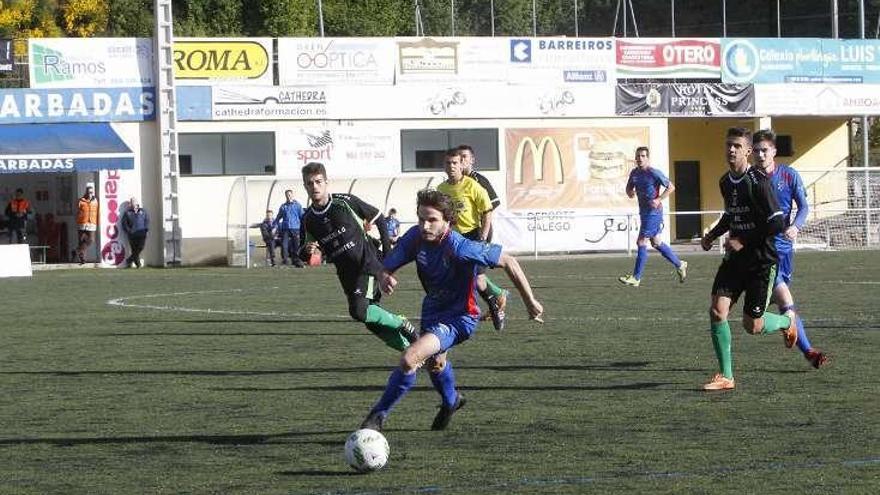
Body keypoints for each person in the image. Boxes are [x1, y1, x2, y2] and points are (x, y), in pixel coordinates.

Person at [360, 189, 544, 432]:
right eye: (421, 218)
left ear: (448, 220)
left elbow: (509, 261)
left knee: (410, 358)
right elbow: (388, 265)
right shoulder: (416, 237)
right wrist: (385, 277)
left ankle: (377, 417)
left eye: (432, 220)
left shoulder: (460, 246)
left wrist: (530, 301)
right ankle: (451, 401)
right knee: (435, 364)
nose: (425, 225)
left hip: (460, 318)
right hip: (432, 311)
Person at [700, 127, 800, 391]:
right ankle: (726, 376)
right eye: (727, 145)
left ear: (747, 151)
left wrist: (743, 240)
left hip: (761, 262)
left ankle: (786, 321)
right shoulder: (724, 182)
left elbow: (777, 222)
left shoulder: (758, 181)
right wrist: (712, 234)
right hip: (735, 260)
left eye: (736, 146)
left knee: (752, 326)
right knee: (716, 311)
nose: (731, 150)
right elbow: (731, 215)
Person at [300, 161, 417, 351]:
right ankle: (408, 349)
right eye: (310, 183)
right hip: (346, 274)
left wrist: (388, 257)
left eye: (318, 182)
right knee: (370, 317)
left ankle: (401, 323)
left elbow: (378, 217)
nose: (315, 187)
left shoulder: (344, 202)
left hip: (368, 264)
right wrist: (307, 251)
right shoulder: (308, 219)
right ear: (305, 186)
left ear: (326, 182)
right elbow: (302, 253)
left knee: (359, 311)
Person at [752, 129, 828, 368]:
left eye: (765, 150)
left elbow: (804, 207)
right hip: (762, 251)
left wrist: (795, 225)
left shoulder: (789, 175)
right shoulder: (749, 178)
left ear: (774, 151)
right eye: (756, 151)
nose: (761, 155)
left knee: (775, 308)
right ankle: (808, 350)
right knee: (784, 301)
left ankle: (795, 335)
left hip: (785, 251)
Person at [437, 149, 509, 331]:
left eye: (455, 163)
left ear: (461, 165)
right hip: (451, 240)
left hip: (472, 236)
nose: (451, 166)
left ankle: (495, 305)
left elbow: (487, 210)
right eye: (448, 163)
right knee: (455, 279)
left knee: (478, 280)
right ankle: (464, 310)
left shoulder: (473, 185)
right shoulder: (441, 189)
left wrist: (483, 237)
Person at [618, 147, 687, 287]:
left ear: (647, 158)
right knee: (656, 242)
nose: (640, 158)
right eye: (638, 156)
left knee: (641, 241)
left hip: (653, 213)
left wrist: (659, 199)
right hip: (644, 212)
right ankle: (680, 264)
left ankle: (636, 278)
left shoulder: (653, 173)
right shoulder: (634, 173)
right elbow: (629, 188)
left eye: (643, 156)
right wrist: (629, 192)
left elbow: (671, 187)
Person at [275, 189, 305, 267]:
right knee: (284, 245)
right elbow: (278, 217)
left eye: (289, 194)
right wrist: (274, 226)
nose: (288, 196)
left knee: (296, 246)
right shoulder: (283, 206)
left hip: (295, 228)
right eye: (287, 195)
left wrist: (304, 227)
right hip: (285, 229)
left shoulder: (297, 205)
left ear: (292, 195)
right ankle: (285, 260)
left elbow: (302, 217)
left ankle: (296, 261)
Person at [121, 197, 149, 268]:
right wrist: (129, 231)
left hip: (142, 233)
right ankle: (138, 264)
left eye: (134, 202)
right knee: (134, 249)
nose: (133, 204)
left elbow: (147, 220)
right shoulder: (127, 213)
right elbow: (124, 223)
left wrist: (146, 229)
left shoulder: (143, 211)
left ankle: (129, 260)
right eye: (132, 203)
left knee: (140, 247)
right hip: (132, 235)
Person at [75, 186, 99, 265]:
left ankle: (78, 251)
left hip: (91, 222)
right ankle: (82, 258)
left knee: (91, 240)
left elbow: (97, 211)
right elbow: (77, 212)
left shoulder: (95, 201)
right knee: (82, 241)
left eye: (91, 192)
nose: (90, 194)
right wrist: (78, 220)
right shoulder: (81, 201)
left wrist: (97, 221)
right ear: (86, 192)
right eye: (89, 192)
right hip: (82, 223)